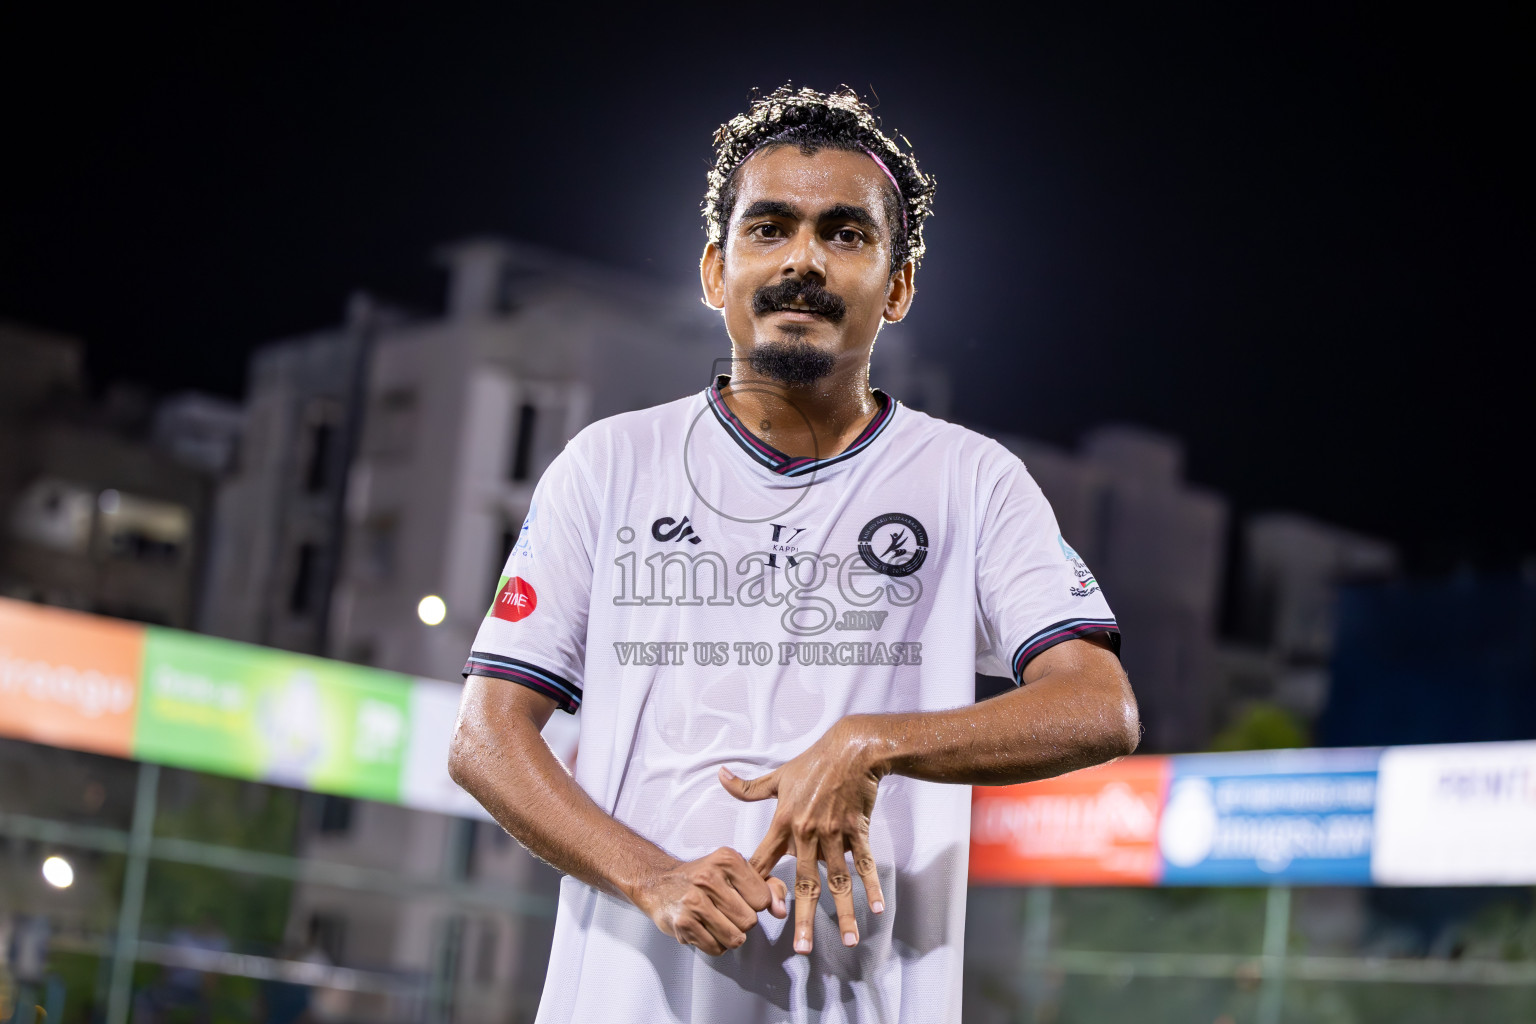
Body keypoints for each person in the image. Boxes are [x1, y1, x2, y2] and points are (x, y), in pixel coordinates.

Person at [449, 85, 1138, 1023]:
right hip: (623, 999)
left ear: (897, 288)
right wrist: (653, 879)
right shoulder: (609, 465)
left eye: (846, 234)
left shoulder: (972, 480)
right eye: (769, 227)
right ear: (713, 269)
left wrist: (874, 743)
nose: (803, 260)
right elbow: (486, 737)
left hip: (867, 1000)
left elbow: (1100, 705)